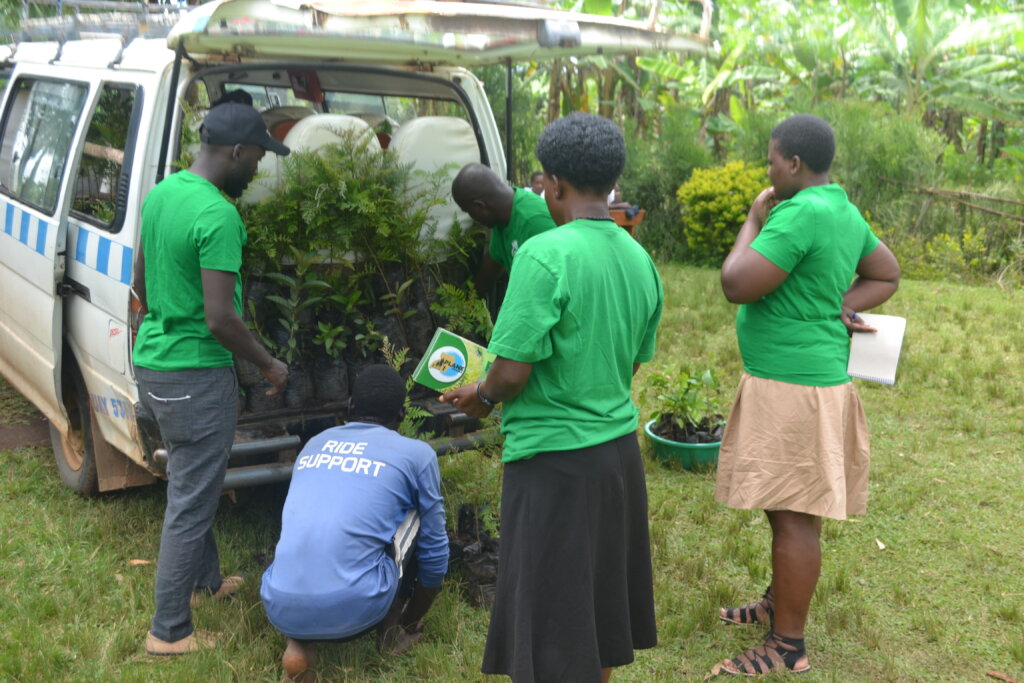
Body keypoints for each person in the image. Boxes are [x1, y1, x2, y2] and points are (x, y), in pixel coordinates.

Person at [441, 113, 663, 683]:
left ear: (552, 184)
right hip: (617, 455)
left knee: (547, 629)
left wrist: (482, 396)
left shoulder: (544, 256)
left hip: (552, 462)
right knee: (597, 617)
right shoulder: (640, 261)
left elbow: (511, 373)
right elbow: (632, 362)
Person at [714, 114, 900, 676]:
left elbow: (735, 282)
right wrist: (840, 302)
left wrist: (752, 218)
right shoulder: (841, 208)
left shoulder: (796, 213)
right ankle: (781, 600)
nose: (768, 172)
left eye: (770, 161)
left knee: (794, 515)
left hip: (794, 387)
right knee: (789, 506)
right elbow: (886, 273)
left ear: (793, 164)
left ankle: (787, 643)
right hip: (806, 382)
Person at [133, 102, 290, 656]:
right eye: (257, 159)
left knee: (188, 480)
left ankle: (206, 582)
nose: (256, 171)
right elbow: (220, 318)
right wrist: (269, 364)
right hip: (194, 377)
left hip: (152, 363)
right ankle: (168, 631)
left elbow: (143, 286)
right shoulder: (219, 216)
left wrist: (166, 319)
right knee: (191, 501)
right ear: (236, 152)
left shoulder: (163, 194)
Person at [260, 365, 448, 682]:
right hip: (356, 610)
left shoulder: (314, 444)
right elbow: (435, 550)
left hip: (278, 602)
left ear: (349, 407)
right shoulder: (416, 454)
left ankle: (299, 642)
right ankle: (392, 635)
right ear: (402, 415)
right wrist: (413, 617)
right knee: (419, 515)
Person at [451, 163, 557, 298]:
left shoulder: (536, 222)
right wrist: (467, 303)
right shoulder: (502, 221)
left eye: (468, 211)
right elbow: (490, 269)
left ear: (480, 206)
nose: (472, 218)